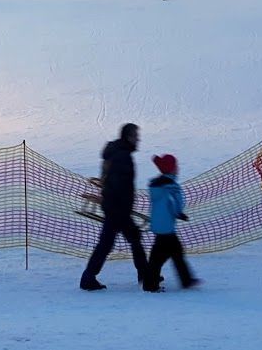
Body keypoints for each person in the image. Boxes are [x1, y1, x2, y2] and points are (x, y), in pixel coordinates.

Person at [79, 123, 149, 291]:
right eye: (135, 136)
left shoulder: (114, 154)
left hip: (113, 206)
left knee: (111, 242)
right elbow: (119, 185)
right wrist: (122, 206)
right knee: (131, 239)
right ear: (128, 137)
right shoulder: (123, 157)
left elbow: (108, 181)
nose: (138, 139)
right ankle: (145, 275)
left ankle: (88, 277)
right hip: (118, 208)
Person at [142, 153, 198, 292]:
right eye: (176, 166)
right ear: (172, 169)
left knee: (172, 253)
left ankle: (185, 280)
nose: (177, 168)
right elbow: (173, 202)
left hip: (159, 225)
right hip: (167, 226)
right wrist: (178, 213)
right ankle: (151, 284)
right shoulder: (171, 185)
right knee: (162, 256)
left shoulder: (156, 185)